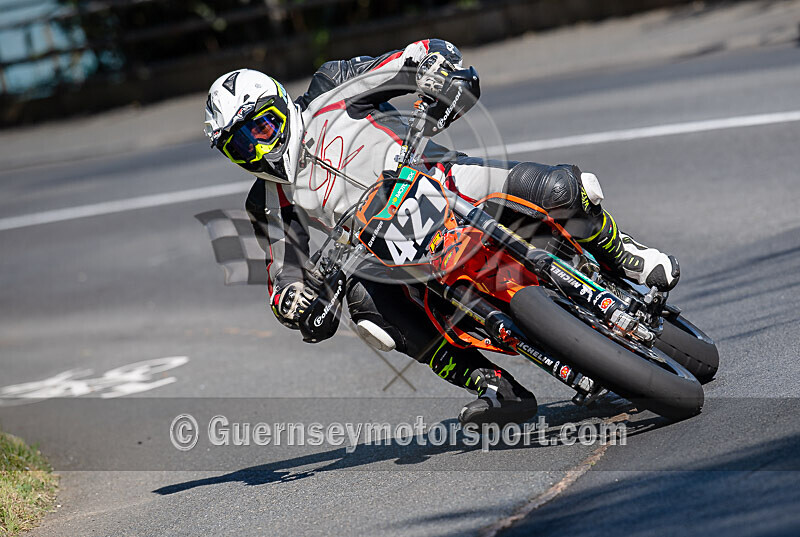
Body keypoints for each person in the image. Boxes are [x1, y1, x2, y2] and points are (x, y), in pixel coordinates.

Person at [203, 39, 680, 425]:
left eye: (261, 128)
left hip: (441, 179)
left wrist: (434, 69)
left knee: (562, 188)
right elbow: (283, 271)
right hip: (381, 252)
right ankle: (494, 386)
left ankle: (621, 252)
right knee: (372, 320)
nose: (257, 148)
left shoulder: (333, 87)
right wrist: (294, 301)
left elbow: (410, 60)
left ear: (281, 105)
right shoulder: (267, 200)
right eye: (239, 145)